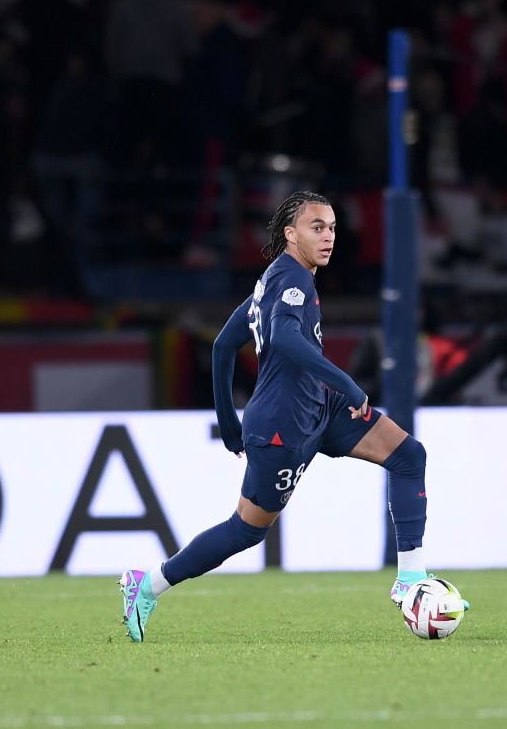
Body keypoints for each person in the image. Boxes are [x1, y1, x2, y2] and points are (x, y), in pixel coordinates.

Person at [118, 192, 465, 642]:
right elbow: (281, 337)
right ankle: (146, 584)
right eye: (316, 227)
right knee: (245, 529)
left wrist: (228, 422)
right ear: (290, 233)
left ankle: (411, 579)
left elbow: (224, 345)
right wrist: (347, 383)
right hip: (284, 424)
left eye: (333, 228)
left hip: (317, 405)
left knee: (407, 455)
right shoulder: (293, 281)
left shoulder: (273, 280)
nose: (328, 237)